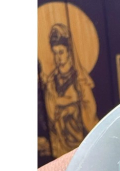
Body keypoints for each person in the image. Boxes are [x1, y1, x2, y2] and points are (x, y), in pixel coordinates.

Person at [43, 24, 98, 158]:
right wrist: (65, 102)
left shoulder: (81, 81)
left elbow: (90, 112)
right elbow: (51, 111)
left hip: (78, 138)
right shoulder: (51, 81)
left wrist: (71, 108)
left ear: (69, 51)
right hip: (59, 142)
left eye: (61, 52)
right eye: (55, 53)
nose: (58, 57)